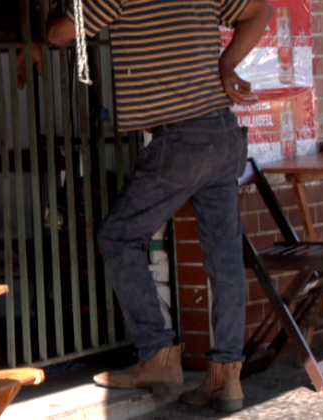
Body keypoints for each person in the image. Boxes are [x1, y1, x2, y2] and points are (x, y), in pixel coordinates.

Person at [19, 0, 274, 413]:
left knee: (118, 235)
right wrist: (227, 64)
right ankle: (227, 379)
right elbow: (261, 10)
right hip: (224, 133)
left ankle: (157, 354)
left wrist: (39, 21)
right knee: (225, 262)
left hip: (183, 137)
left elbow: (60, 33)